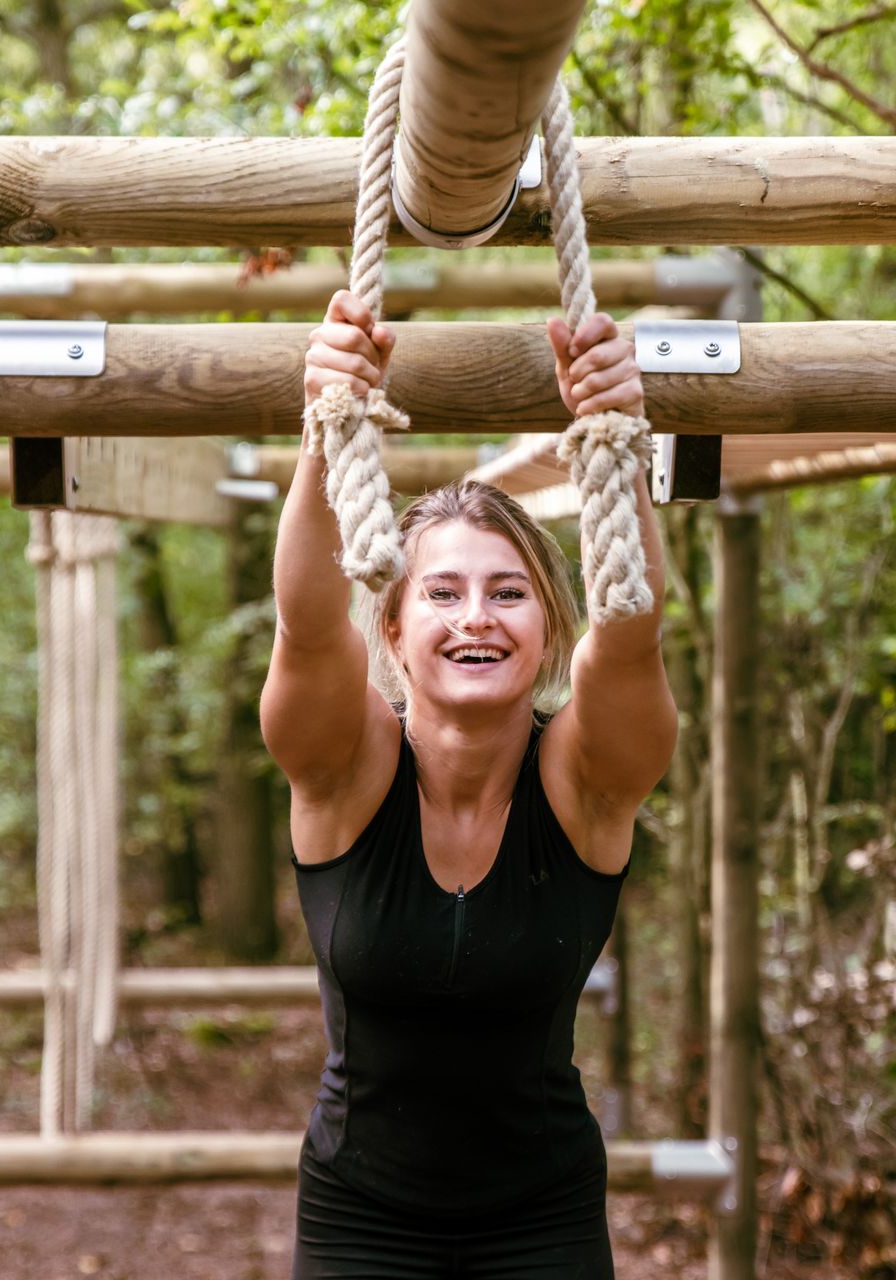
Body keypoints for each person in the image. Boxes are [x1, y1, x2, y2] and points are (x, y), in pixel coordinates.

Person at [263, 289, 678, 1279]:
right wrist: (330, 423)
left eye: (507, 591)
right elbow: (310, 626)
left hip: (542, 1217)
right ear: (396, 631)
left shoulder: (583, 781)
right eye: (441, 593)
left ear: (545, 626)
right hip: (361, 1214)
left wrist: (614, 439)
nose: (475, 617)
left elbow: (630, 635)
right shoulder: (347, 767)